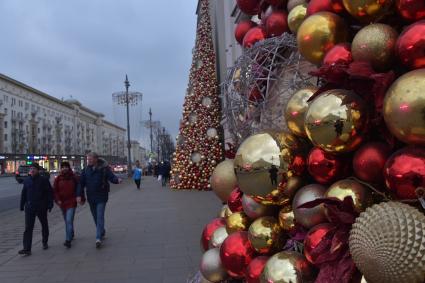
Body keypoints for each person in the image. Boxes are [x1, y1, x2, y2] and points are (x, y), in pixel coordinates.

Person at [77, 152, 121, 248]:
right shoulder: (85, 170)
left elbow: (111, 177)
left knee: (100, 216)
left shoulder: (104, 169)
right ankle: (101, 230)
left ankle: (98, 238)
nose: (88, 161)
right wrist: (79, 195)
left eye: (90, 159)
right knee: (95, 216)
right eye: (87, 159)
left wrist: (117, 180)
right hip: (91, 197)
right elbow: (81, 184)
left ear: (96, 159)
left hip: (101, 196)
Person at [19, 163, 54, 256]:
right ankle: (27, 248)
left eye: (34, 168)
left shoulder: (43, 180)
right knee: (28, 228)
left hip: (41, 207)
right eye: (31, 168)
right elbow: (24, 193)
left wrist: (50, 204)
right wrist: (22, 205)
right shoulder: (27, 181)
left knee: (44, 224)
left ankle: (44, 242)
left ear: (38, 170)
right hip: (29, 207)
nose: (32, 170)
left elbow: (49, 193)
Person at [53, 161, 84, 248]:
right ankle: (71, 233)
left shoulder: (74, 177)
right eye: (62, 167)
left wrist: (80, 197)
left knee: (69, 220)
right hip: (62, 203)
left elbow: (79, 188)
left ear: (69, 168)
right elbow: (55, 191)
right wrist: (57, 200)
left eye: (66, 167)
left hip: (71, 202)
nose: (64, 168)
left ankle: (68, 240)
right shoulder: (58, 178)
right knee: (67, 221)